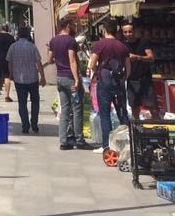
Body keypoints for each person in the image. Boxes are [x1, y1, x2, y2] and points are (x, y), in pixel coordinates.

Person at [45, 16, 90, 150]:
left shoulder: (53, 40)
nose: (75, 27)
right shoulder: (70, 41)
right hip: (70, 78)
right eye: (73, 25)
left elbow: (49, 60)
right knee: (77, 109)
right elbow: (72, 61)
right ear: (68, 26)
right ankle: (79, 139)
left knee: (64, 110)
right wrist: (76, 79)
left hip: (60, 78)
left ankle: (64, 141)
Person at [88, 17, 131, 152]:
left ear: (104, 30)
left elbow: (91, 64)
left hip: (104, 82)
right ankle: (128, 142)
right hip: (118, 84)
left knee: (105, 114)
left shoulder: (100, 45)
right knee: (122, 112)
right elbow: (128, 67)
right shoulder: (122, 46)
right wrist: (124, 78)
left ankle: (107, 146)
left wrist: (97, 73)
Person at [6, 25, 47, 135]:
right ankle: (34, 124)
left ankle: (25, 126)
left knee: (22, 103)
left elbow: (9, 62)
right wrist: (42, 77)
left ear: (18, 35)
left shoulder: (13, 47)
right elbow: (39, 63)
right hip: (33, 78)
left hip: (19, 79)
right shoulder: (32, 47)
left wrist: (11, 74)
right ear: (28, 35)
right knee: (35, 102)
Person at [121, 19, 157, 121]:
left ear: (135, 31)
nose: (128, 34)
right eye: (125, 32)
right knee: (134, 107)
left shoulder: (143, 42)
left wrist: (138, 57)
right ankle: (137, 129)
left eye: (130, 31)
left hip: (144, 78)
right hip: (131, 79)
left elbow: (151, 57)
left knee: (152, 107)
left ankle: (158, 127)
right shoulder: (122, 45)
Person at [0, 23, 15, 102]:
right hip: (7, 60)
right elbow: (13, 50)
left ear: (1, 28)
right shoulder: (11, 38)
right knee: (7, 77)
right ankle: (7, 96)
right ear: (7, 29)